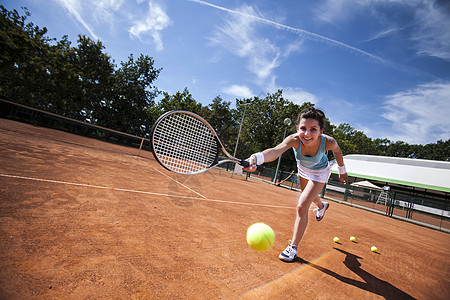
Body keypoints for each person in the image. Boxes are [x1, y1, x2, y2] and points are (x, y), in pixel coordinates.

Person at [244, 107, 348, 262]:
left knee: (302, 206)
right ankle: (321, 206)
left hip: (320, 173)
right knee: (310, 198)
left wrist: (342, 170)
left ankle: (293, 247)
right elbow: (274, 151)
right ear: (297, 128)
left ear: (320, 131)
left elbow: (338, 151)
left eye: (313, 129)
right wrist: (255, 158)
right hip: (302, 169)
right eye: (303, 128)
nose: (307, 134)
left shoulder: (328, 142)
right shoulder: (293, 139)